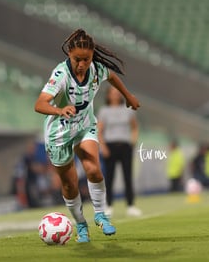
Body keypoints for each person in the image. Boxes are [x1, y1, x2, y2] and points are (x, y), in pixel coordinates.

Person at [34, 28, 140, 242]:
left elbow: (112, 76)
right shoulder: (61, 74)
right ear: (69, 55)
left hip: (84, 126)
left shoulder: (96, 69)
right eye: (77, 59)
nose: (82, 64)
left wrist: (127, 96)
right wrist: (59, 110)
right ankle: (81, 224)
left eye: (86, 59)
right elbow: (39, 104)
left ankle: (101, 215)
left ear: (92, 56)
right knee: (70, 184)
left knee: (94, 169)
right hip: (60, 133)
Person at [97, 86, 141, 217]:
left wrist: (133, 141)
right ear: (108, 95)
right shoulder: (104, 111)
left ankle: (131, 205)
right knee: (109, 178)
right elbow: (99, 130)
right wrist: (103, 147)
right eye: (112, 93)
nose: (115, 95)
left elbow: (134, 127)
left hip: (125, 146)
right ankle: (109, 205)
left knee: (128, 177)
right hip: (110, 146)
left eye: (117, 93)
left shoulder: (128, 110)